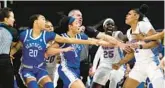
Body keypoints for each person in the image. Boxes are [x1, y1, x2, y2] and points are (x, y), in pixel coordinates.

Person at [10, 14, 100, 88]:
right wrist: (9, 54)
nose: (45, 22)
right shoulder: (24, 35)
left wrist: (89, 41)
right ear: (36, 22)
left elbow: (68, 40)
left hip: (41, 68)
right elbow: (16, 48)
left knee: (50, 86)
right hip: (27, 69)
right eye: (43, 19)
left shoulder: (48, 35)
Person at [112, 5, 164, 88]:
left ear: (136, 16)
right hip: (139, 65)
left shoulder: (143, 25)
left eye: (129, 14)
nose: (126, 15)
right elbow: (132, 52)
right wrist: (119, 63)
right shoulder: (129, 32)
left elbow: (157, 42)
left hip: (152, 63)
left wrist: (140, 46)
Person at [91, 18, 125, 88]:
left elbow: (122, 37)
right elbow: (97, 55)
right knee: (94, 85)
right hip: (104, 65)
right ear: (104, 27)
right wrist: (94, 68)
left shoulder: (117, 34)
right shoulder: (101, 37)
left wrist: (123, 39)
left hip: (117, 65)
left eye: (112, 25)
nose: (110, 26)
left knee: (113, 77)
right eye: (108, 24)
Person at [0, 7, 18, 88]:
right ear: (6, 19)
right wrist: (8, 53)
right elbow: (15, 45)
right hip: (4, 61)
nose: (14, 20)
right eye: (12, 17)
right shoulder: (12, 31)